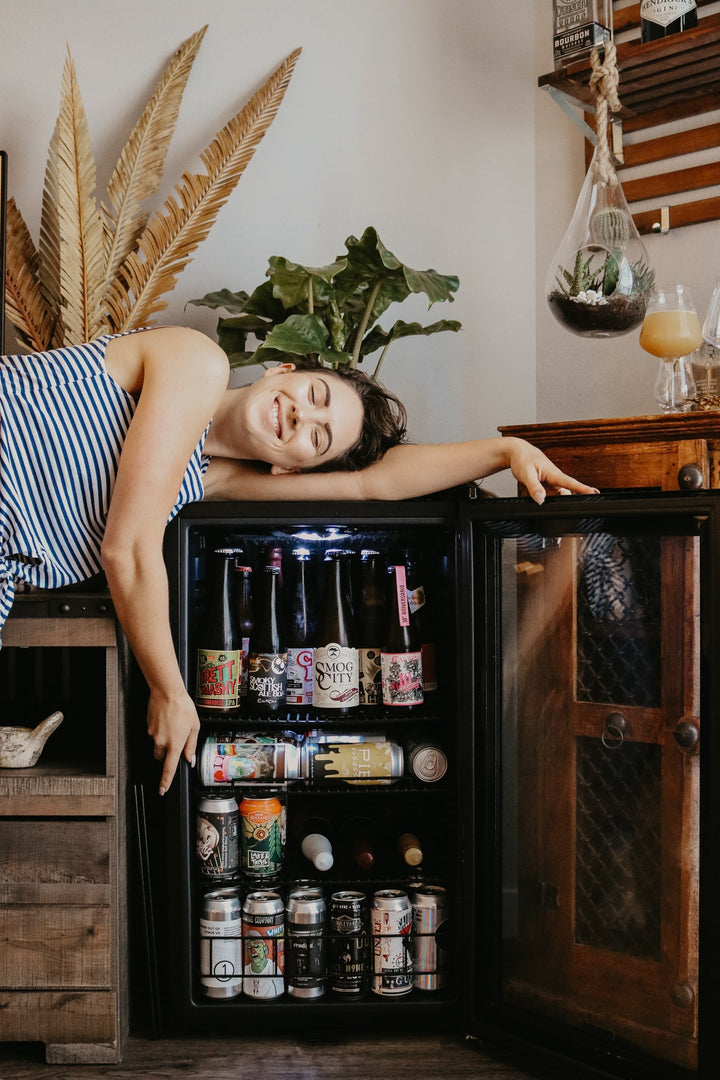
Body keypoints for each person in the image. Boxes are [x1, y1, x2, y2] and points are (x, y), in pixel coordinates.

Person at [0, 325, 597, 793]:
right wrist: (171, 691)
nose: (301, 415)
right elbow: (126, 547)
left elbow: (371, 486)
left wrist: (503, 449)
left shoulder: (211, 480)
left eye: (318, 438)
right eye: (314, 395)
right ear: (282, 368)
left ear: (292, 470)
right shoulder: (195, 361)